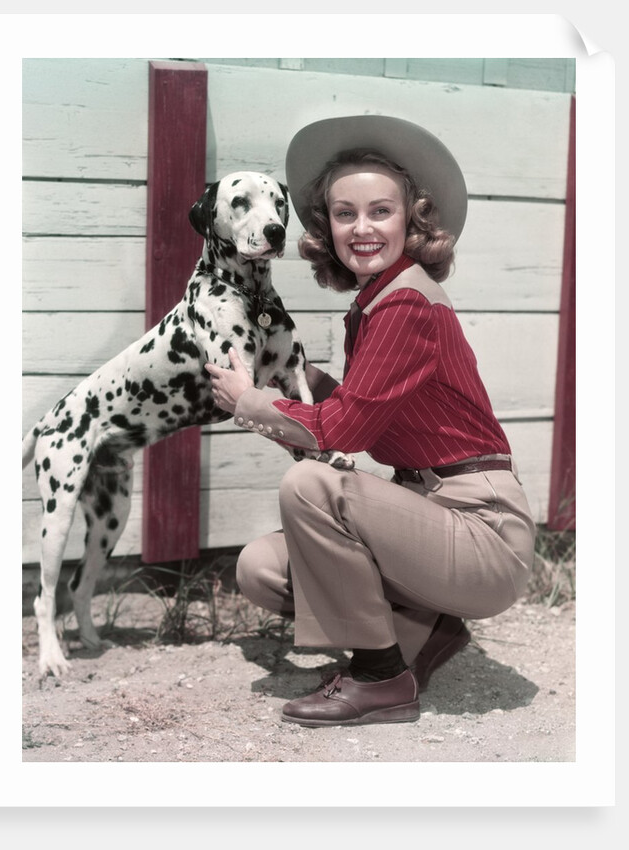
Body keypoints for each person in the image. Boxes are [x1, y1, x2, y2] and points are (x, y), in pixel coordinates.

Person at [205, 114, 536, 727]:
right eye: (344, 213)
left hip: (481, 531)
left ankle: (382, 678)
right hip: (431, 516)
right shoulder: (377, 301)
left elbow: (343, 433)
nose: (361, 228)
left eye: (380, 211)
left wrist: (250, 401)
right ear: (324, 226)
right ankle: (428, 626)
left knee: (310, 485)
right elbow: (365, 406)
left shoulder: (405, 303)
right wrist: (292, 377)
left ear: (414, 219)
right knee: (261, 568)